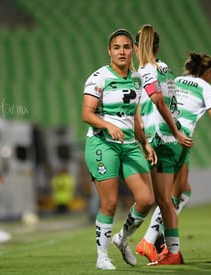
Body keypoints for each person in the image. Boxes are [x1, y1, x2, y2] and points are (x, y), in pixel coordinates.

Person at [136, 52, 211, 262]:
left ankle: (154, 239)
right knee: (171, 196)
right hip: (179, 140)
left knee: (183, 191)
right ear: (209, 72)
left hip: (160, 132)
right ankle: (150, 241)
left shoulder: (175, 80)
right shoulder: (207, 88)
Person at [82, 28, 157, 270]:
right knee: (111, 203)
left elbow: (135, 118)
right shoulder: (98, 78)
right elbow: (86, 113)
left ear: (133, 50)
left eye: (126, 47)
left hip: (129, 145)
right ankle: (102, 257)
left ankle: (122, 238)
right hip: (102, 144)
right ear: (109, 51)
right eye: (117, 47)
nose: (122, 51)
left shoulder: (137, 79)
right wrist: (107, 125)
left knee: (146, 199)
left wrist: (144, 142)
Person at [133, 24, 193, 265]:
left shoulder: (146, 71)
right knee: (171, 198)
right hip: (175, 141)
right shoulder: (165, 67)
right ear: (157, 48)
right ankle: (169, 250)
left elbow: (158, 100)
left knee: (164, 201)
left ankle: (173, 252)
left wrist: (175, 132)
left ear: (138, 48)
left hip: (163, 140)